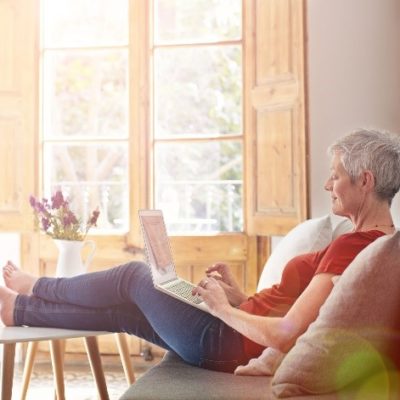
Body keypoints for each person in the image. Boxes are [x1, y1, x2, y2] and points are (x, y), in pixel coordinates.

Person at [1, 129, 400, 373]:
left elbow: (289, 332)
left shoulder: (357, 246)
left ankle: (37, 285)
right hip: (231, 333)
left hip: (223, 341)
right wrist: (237, 297)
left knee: (133, 276)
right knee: (123, 311)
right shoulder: (377, 247)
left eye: (335, 177)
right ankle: (18, 310)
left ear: (365, 181)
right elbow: (296, 313)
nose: (329, 186)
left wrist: (225, 311)